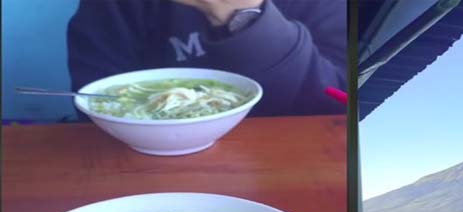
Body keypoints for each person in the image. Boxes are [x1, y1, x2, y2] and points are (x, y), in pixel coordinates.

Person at [67, 0, 346, 117]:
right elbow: (94, 102)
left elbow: (336, 100)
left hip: (292, 166)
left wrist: (242, 14)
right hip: (146, 168)